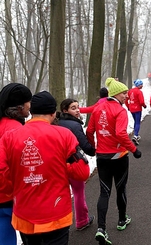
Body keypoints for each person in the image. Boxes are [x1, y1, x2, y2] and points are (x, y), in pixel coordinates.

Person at [0, 91, 90, 245]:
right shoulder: (64, 135)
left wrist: (20, 180)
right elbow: (83, 172)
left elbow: (2, 171)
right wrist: (63, 166)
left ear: (31, 111)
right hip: (57, 213)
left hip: (25, 214)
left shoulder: (9, 137)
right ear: (53, 113)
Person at [87, 78, 142, 245]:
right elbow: (120, 133)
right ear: (116, 93)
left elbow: (89, 130)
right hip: (118, 156)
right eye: (124, 93)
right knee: (120, 188)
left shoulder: (97, 108)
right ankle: (121, 220)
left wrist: (94, 146)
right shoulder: (120, 110)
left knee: (104, 192)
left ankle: (101, 229)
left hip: (102, 156)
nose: (127, 96)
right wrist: (134, 150)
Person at [0, 83, 32, 245]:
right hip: (10, 197)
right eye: (28, 101)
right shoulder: (15, 130)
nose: (30, 105)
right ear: (20, 106)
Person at [57, 99, 96, 230]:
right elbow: (84, 145)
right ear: (65, 110)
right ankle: (81, 220)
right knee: (78, 193)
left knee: (61, 194)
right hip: (73, 163)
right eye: (73, 108)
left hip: (57, 164)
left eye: (78, 107)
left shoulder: (55, 123)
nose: (78, 110)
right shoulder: (74, 126)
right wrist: (93, 150)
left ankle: (61, 223)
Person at [126, 79, 147, 145]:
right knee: (137, 122)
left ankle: (136, 134)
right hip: (137, 109)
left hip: (132, 108)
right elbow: (141, 102)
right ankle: (135, 135)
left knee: (135, 121)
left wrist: (128, 106)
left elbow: (126, 100)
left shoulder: (130, 91)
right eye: (141, 84)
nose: (142, 86)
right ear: (138, 85)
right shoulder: (139, 92)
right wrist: (144, 106)